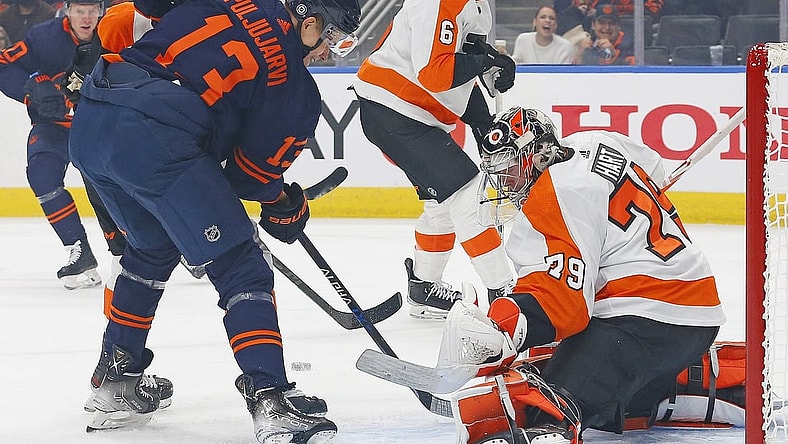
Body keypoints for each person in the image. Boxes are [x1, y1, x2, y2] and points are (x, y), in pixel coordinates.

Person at [68, 0, 362, 442]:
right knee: (242, 266)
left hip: (94, 116)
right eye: (333, 38)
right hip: (155, 135)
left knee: (150, 249)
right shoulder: (295, 88)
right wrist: (284, 203)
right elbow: (249, 178)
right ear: (310, 21)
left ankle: (116, 383)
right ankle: (271, 400)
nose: (327, 52)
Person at [439, 107, 726, 443]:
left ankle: (564, 424)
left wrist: (507, 327)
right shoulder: (597, 140)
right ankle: (670, 393)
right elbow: (653, 166)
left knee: (546, 408)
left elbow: (566, 307)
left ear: (539, 154)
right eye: (498, 173)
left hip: (644, 318)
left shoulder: (553, 195)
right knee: (548, 367)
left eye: (510, 170)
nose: (504, 183)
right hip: (692, 309)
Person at [352, 0, 516, 319]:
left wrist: (484, 122)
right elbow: (435, 74)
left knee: (441, 204)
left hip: (413, 114)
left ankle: (424, 287)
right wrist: (485, 62)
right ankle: (505, 293)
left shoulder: (476, 5)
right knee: (468, 193)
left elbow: (459, 73)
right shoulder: (439, 2)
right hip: (394, 110)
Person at [0, 0, 108, 289]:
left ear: (101, 11)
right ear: (67, 10)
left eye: (92, 10)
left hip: (102, 129)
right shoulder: (44, 37)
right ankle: (78, 250)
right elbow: (4, 64)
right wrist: (30, 87)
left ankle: (174, 244)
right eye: (80, 11)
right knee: (41, 173)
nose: (86, 17)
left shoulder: (113, 36)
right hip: (54, 128)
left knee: (121, 189)